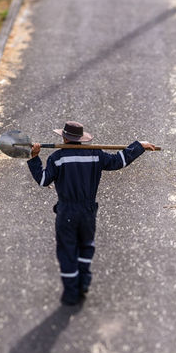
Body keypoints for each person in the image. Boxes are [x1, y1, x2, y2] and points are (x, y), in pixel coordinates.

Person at [27, 121, 159, 306]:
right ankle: (84, 283)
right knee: (86, 246)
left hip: (67, 212)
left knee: (67, 250)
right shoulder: (95, 154)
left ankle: (72, 294)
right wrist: (139, 146)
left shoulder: (57, 158)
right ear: (81, 138)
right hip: (88, 211)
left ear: (64, 137)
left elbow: (42, 180)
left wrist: (34, 157)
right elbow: (118, 161)